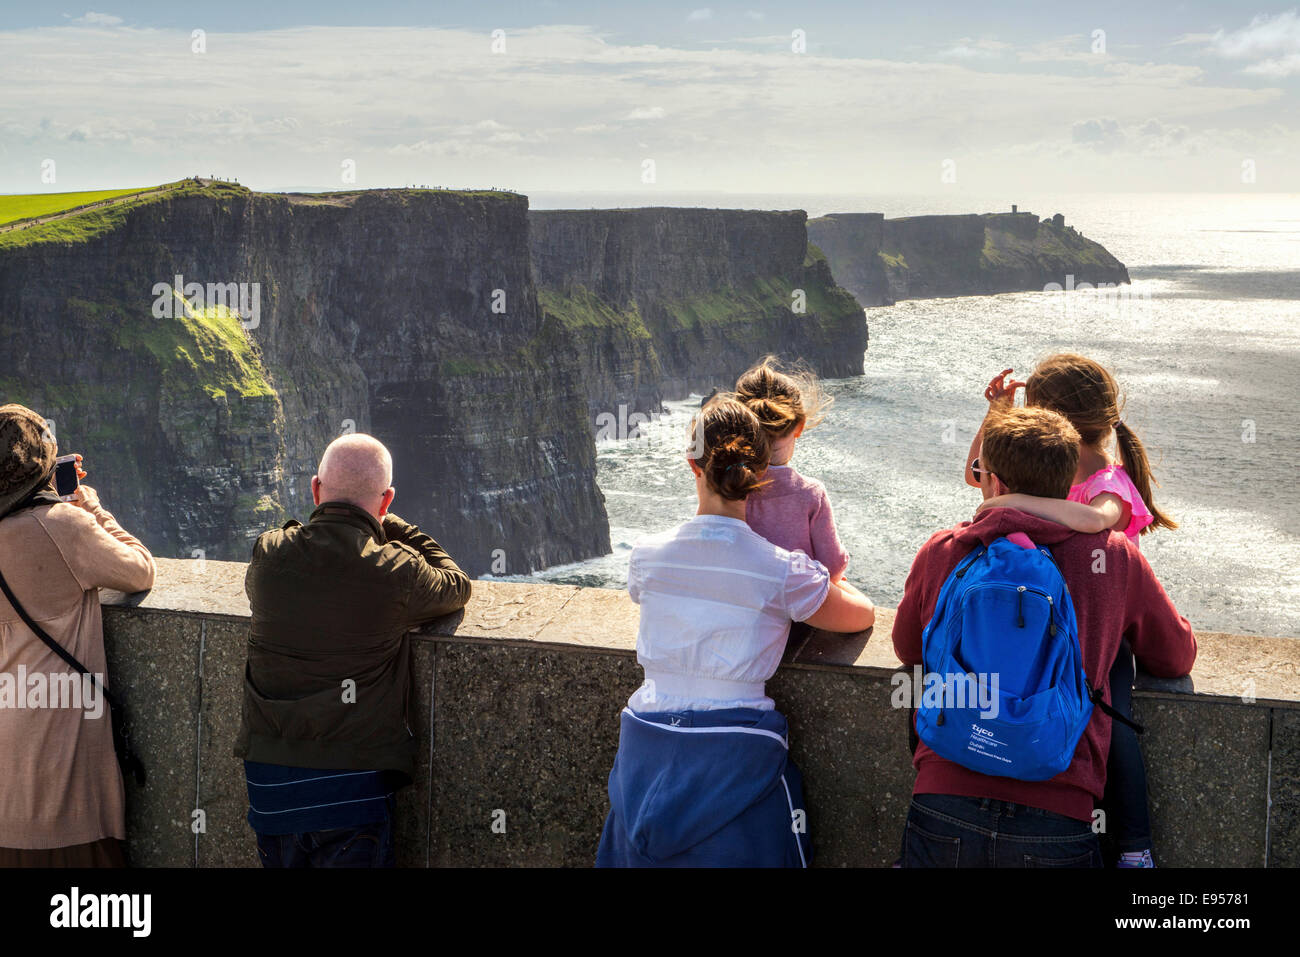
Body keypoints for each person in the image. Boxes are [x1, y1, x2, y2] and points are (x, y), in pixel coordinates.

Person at [895, 405, 1196, 867]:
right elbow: (1175, 656)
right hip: (1060, 809)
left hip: (943, 796)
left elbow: (908, 649)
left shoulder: (945, 549)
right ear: (1068, 477)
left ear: (992, 482)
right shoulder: (1113, 558)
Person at [596, 395, 875, 867]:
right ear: (761, 473)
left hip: (645, 756)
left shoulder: (646, 556)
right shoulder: (780, 572)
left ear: (693, 466)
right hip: (737, 754)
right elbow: (861, 615)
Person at [966, 355, 1171, 866]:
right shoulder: (1047, 473)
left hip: (1099, 629)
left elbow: (1091, 521)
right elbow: (978, 474)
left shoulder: (1110, 487)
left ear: (1053, 420)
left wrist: (1010, 505)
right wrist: (995, 417)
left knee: (1113, 717)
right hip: (1048, 622)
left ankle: (1133, 847)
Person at [234, 433, 471, 868]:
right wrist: (392, 524)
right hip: (351, 788)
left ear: (315, 490)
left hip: (270, 787)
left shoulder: (268, 555)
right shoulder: (395, 572)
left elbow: (296, 538)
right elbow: (456, 584)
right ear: (386, 500)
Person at [0, 404, 155, 867]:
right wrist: (89, 506)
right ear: (43, 467)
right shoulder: (65, 528)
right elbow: (140, 570)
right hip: (63, 788)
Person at [735, 356, 849, 583]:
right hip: (795, 608)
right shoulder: (810, 493)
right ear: (799, 426)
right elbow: (833, 567)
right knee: (861, 608)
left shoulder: (728, 484)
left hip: (742, 598)